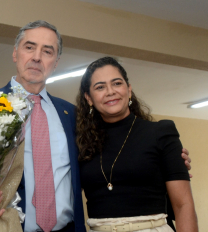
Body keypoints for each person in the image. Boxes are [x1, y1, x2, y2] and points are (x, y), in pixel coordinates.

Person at [0, 21, 191, 232]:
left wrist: (169, 160)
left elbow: (120, 147)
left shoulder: (72, 115)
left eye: (48, 51)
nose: (37, 57)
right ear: (15, 53)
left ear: (56, 62)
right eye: (29, 47)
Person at [76, 57, 198, 232]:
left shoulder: (160, 132)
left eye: (117, 83)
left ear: (129, 89)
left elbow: (183, 205)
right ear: (88, 98)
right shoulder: (81, 142)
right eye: (100, 87)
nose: (110, 92)